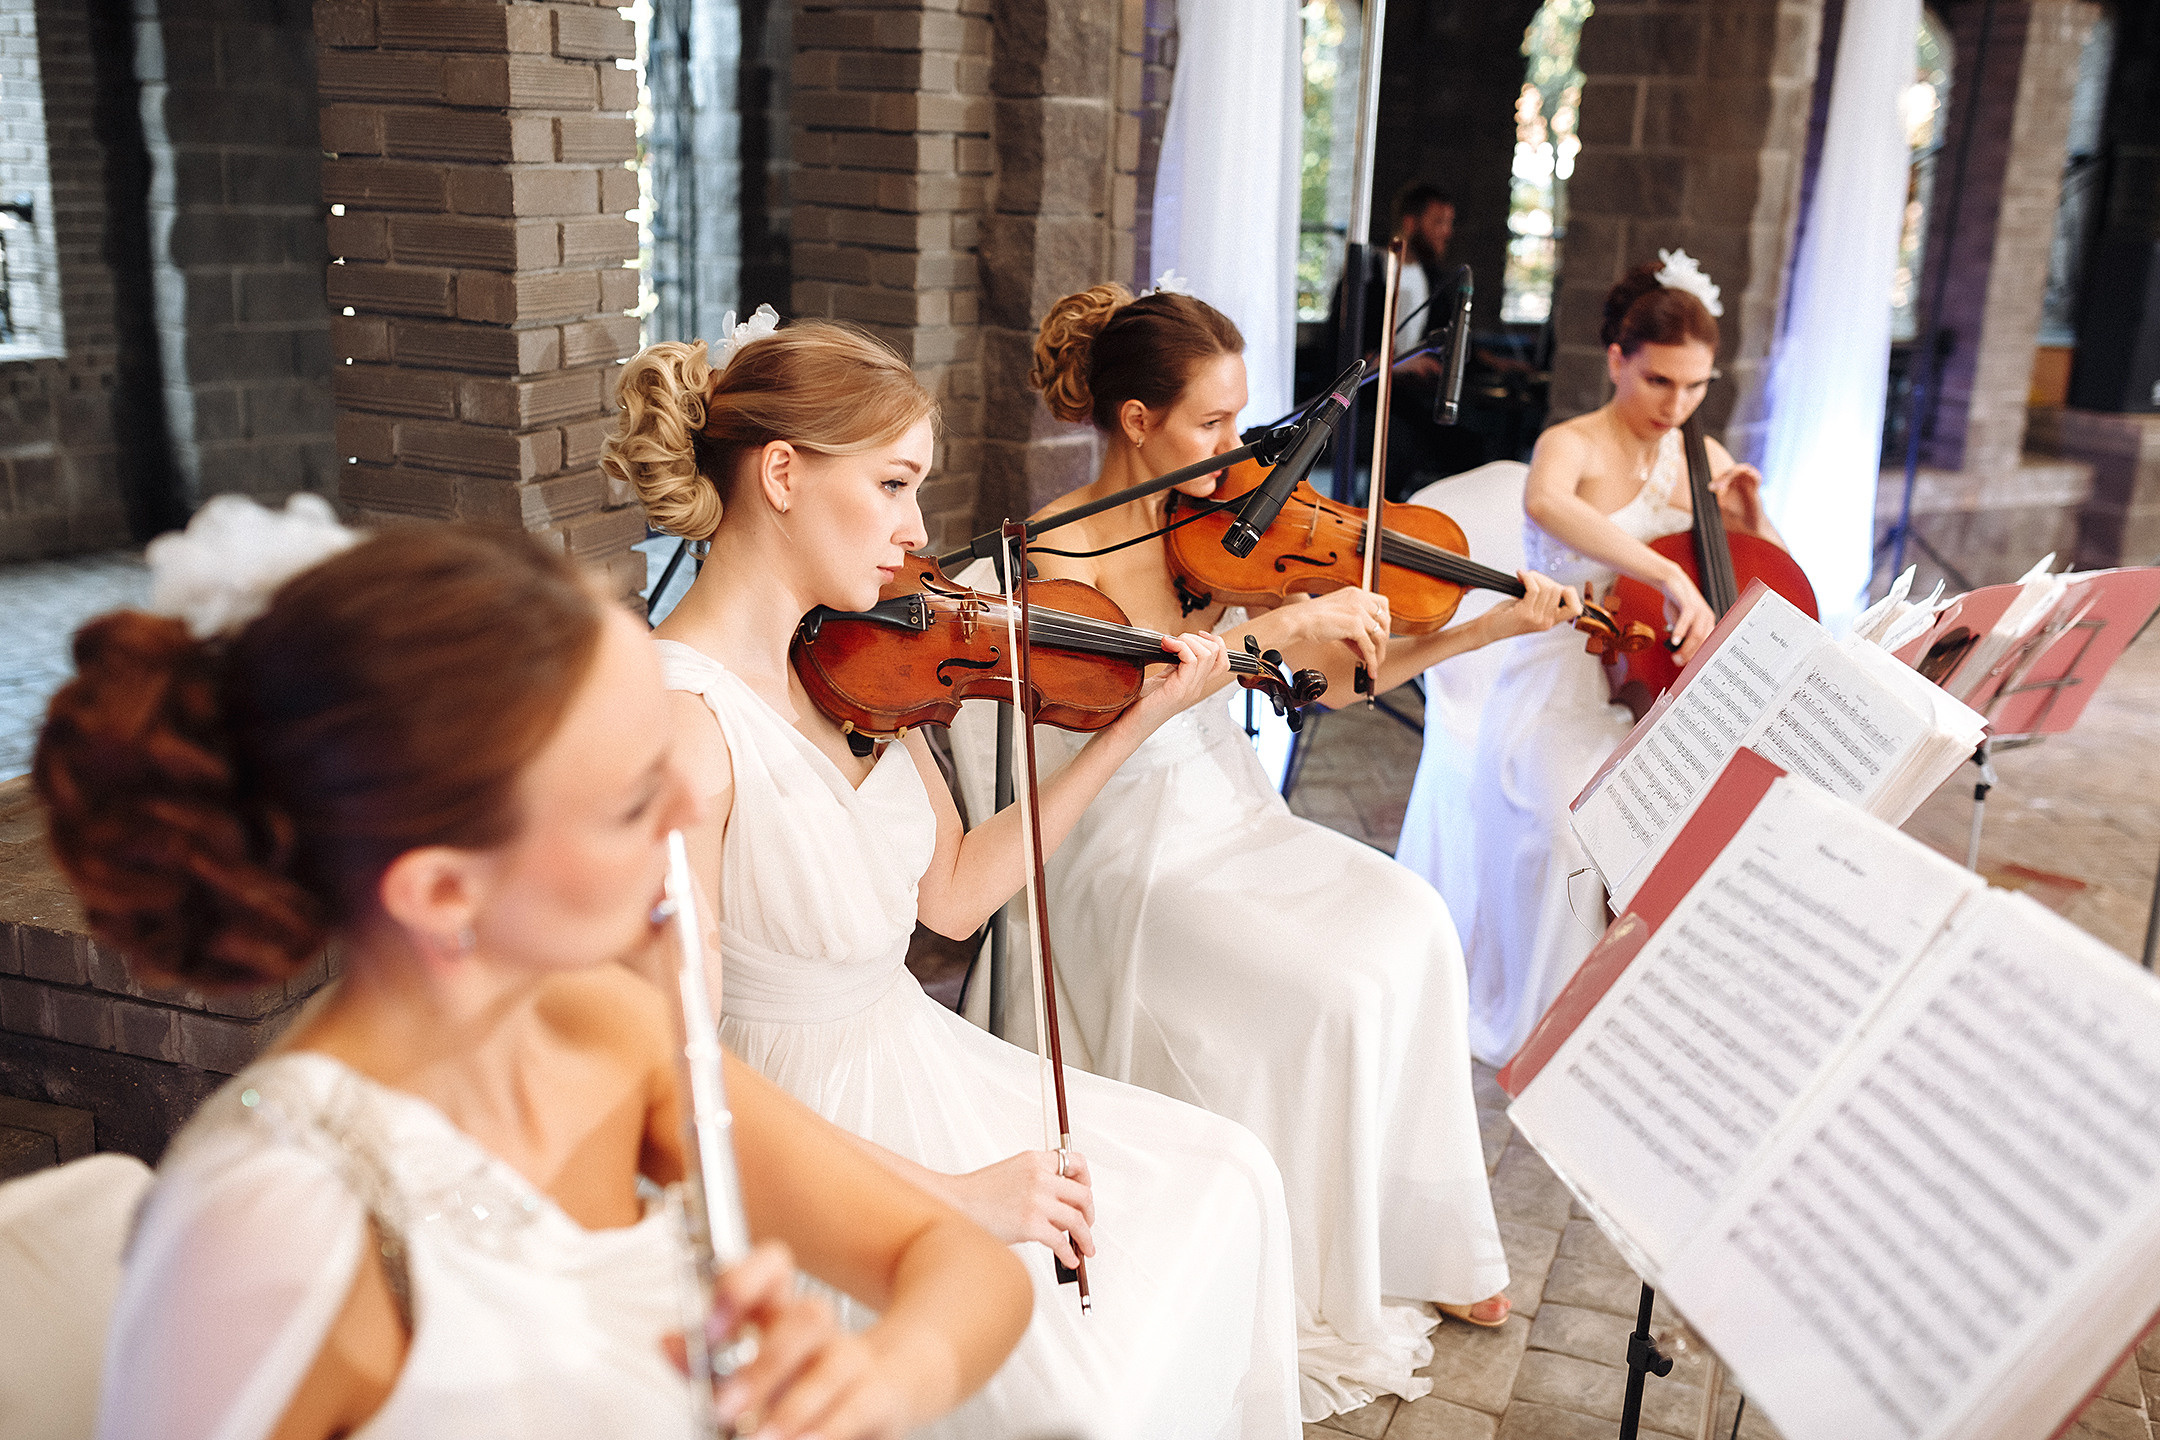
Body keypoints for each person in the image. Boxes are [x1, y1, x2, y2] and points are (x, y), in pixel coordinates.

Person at [35, 499, 1032, 1440]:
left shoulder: (610, 1027)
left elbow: (959, 1264)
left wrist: (870, 1383)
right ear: (441, 893)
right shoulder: (268, 1226)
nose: (694, 801)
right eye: (633, 796)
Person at [610, 313, 1304, 1440]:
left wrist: (1136, 721)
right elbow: (673, 1091)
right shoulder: (679, 725)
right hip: (801, 1130)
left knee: (1228, 1176)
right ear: (781, 474)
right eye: (892, 486)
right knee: (1086, 1394)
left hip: (910, 1051)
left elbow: (956, 894)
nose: (917, 531)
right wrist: (958, 1198)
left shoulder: (853, 662)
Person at [946, 281, 1582, 1420]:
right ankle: (1310, 1271)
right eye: (1211, 427)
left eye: (1243, 424)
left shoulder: (1213, 536)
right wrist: (1261, 633)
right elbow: (1124, 722)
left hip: (1232, 818)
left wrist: (1490, 623)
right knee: (1331, 986)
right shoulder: (1054, 563)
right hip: (1122, 852)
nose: (1240, 455)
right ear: (1135, 422)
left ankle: (1417, 1243)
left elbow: (1341, 683)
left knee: (1412, 920)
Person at [1451, 254, 1785, 1065]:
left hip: (1651, 689)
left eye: (1697, 388)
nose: (1679, 406)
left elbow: (1773, 577)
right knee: (1577, 829)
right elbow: (1544, 504)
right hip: (1557, 680)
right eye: (1661, 382)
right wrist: (1663, 569)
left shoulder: (1695, 458)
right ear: (1616, 361)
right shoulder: (1570, 443)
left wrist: (1751, 512)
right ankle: (1550, 1017)